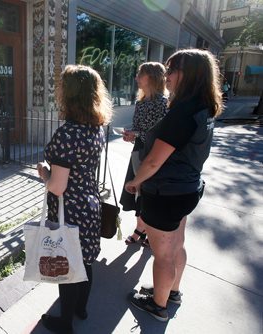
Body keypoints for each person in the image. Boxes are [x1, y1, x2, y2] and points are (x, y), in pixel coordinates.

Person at [125, 49, 223, 321]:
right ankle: (172, 292)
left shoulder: (184, 111)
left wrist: (135, 180)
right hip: (186, 188)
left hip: (167, 191)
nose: (166, 76)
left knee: (164, 254)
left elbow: (155, 161)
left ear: (188, 74)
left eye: (172, 70)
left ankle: (158, 305)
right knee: (176, 245)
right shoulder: (202, 106)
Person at [37, 64, 112, 333]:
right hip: (90, 204)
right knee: (85, 261)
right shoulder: (97, 127)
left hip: (69, 210)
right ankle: (81, 308)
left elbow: (57, 187)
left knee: (66, 266)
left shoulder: (68, 133)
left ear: (68, 94)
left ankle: (64, 322)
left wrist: (45, 174)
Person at [119, 62, 168, 248]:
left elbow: (162, 136)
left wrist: (136, 134)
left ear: (152, 77)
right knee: (138, 193)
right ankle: (143, 229)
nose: (136, 77)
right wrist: (130, 135)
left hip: (154, 155)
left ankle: (143, 230)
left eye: (141, 74)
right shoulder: (141, 102)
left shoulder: (163, 103)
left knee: (147, 193)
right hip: (139, 152)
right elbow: (141, 130)